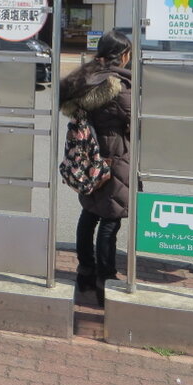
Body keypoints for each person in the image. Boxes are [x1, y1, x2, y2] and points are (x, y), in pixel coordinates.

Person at [59, 30, 132, 306]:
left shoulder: (85, 78)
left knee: (89, 212)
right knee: (111, 218)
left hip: (88, 158)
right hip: (114, 157)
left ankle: (86, 270)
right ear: (123, 55)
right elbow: (137, 121)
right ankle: (106, 276)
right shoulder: (118, 85)